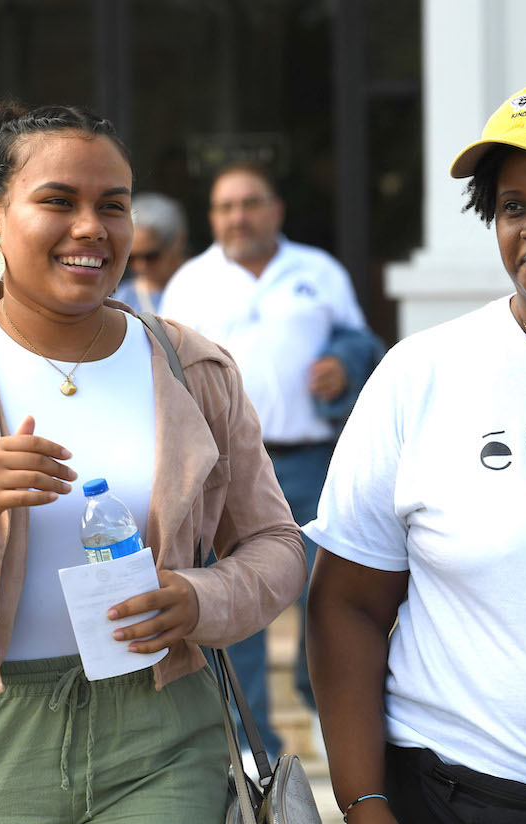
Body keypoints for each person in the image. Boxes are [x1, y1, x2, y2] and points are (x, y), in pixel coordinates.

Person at [0, 101, 307, 824]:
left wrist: (200, 597)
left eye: (112, 207)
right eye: (57, 201)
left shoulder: (194, 367)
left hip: (161, 732)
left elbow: (277, 545)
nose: (91, 227)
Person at [305, 83, 526, 824]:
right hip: (472, 795)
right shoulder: (423, 375)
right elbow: (346, 604)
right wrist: (365, 804)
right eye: (511, 206)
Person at [158, 161, 383, 756]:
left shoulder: (319, 270)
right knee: (236, 610)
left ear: (275, 209)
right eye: (226, 207)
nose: (239, 216)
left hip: (311, 462)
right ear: (212, 218)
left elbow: (362, 342)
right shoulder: (189, 284)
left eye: (250, 202)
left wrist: (345, 362)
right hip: (221, 474)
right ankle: (258, 751)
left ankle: (337, 722)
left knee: (327, 601)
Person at [111, 192, 187, 313]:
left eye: (151, 256)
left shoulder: (200, 284)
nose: (140, 266)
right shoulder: (124, 298)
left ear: (177, 243)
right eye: (131, 258)